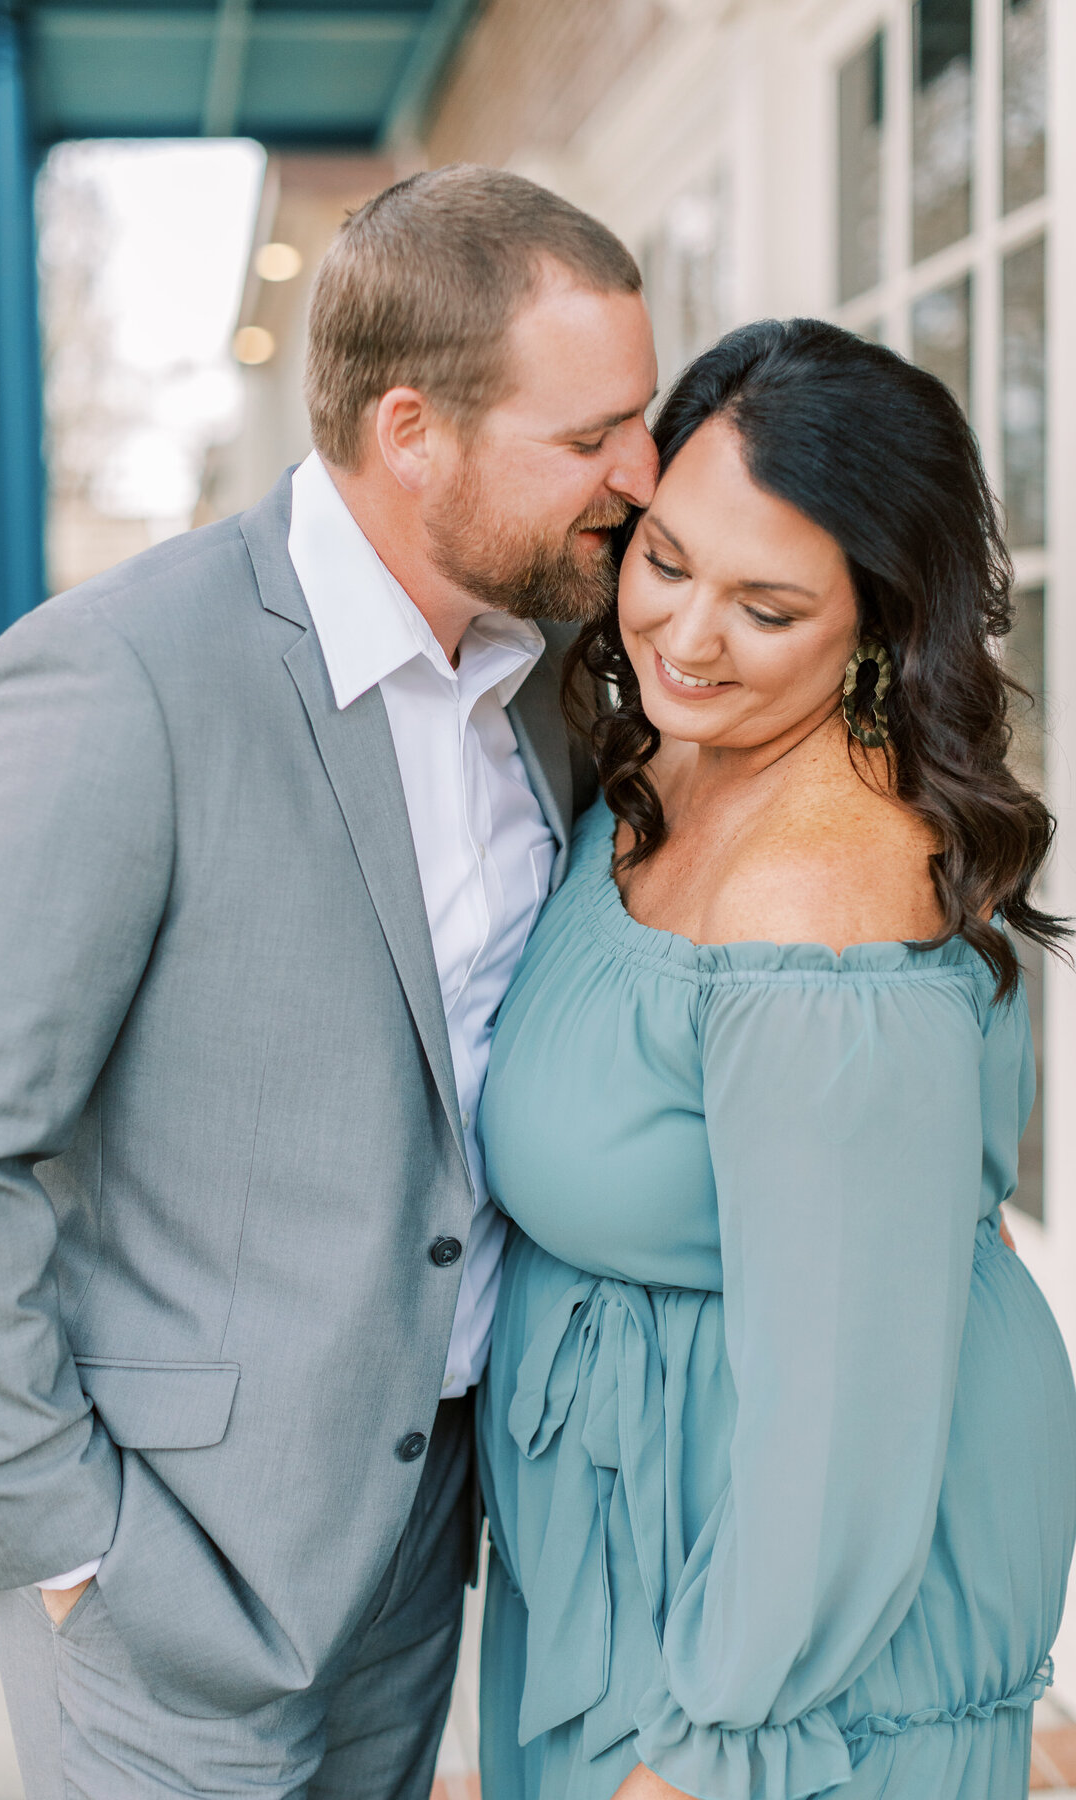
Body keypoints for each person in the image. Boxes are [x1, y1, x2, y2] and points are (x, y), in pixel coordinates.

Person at [0, 166, 657, 1797]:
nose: (639, 478)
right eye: (588, 439)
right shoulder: (120, 680)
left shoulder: (548, 689)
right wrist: (69, 1542)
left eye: (637, 422)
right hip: (169, 1587)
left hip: (419, 1564)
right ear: (409, 431)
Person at [477, 317, 1076, 1800]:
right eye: (666, 560)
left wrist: (701, 1755)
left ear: (875, 622)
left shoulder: (816, 905)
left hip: (786, 1655)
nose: (681, 637)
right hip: (642, 1564)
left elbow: (840, 1415)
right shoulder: (678, 752)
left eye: (766, 606)